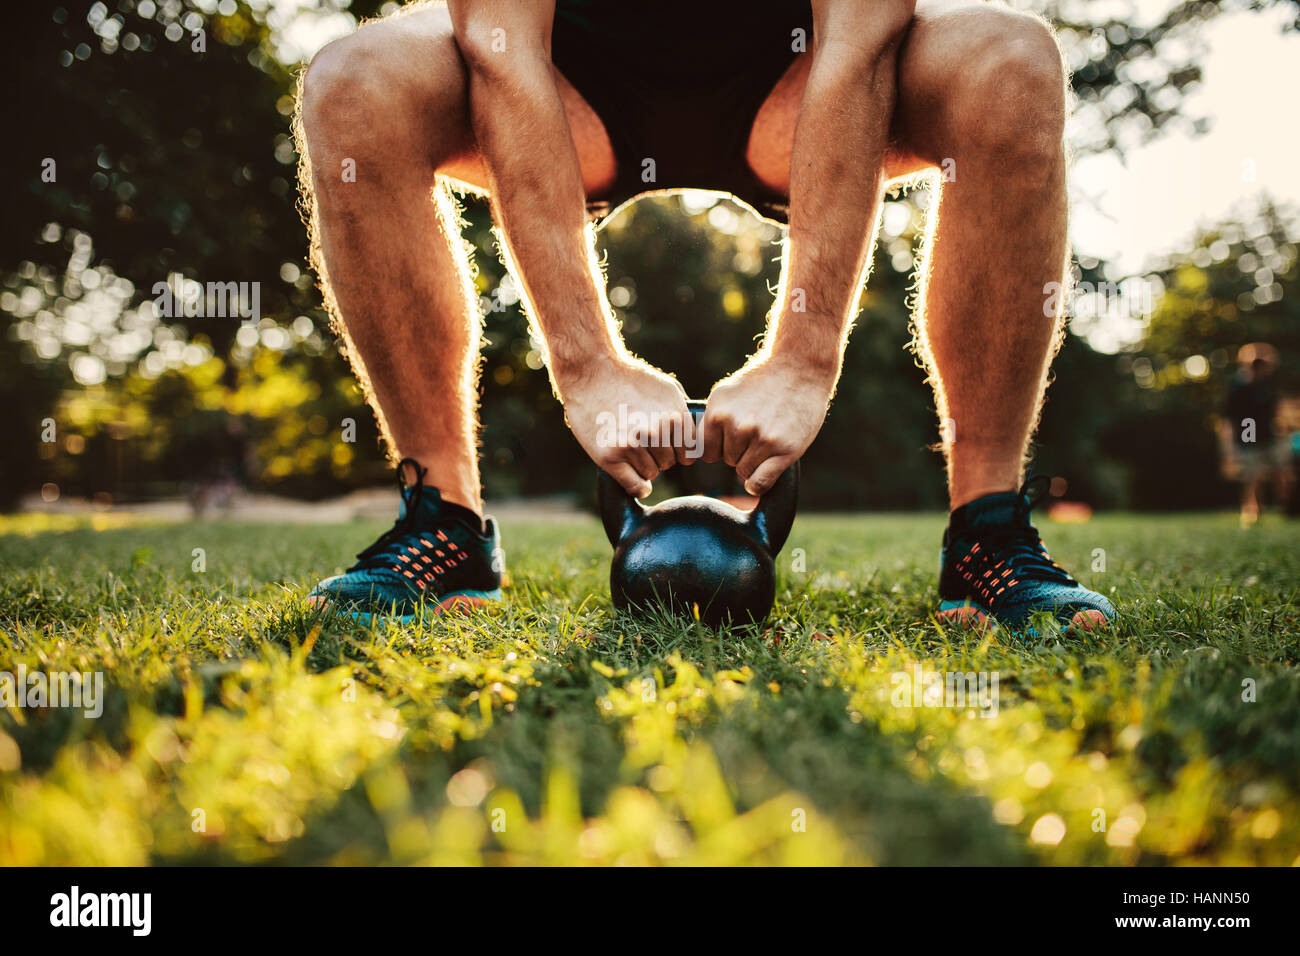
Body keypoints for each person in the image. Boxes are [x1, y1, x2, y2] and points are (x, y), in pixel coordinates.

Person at [293, 0, 1114, 631]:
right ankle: (444, 521)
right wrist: (588, 368)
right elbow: (499, 52)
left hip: (803, 69)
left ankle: (987, 528)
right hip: (558, 73)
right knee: (353, 85)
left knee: (1012, 62)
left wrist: (802, 358)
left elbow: (860, 41)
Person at [1220, 343, 1290, 527]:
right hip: (1248, 430)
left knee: (1282, 472)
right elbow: (1229, 418)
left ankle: (1287, 507)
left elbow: (1276, 411)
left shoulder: (1269, 385)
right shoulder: (1238, 386)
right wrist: (1228, 449)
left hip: (1269, 433)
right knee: (1254, 474)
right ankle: (1252, 510)